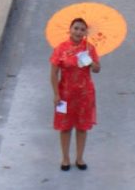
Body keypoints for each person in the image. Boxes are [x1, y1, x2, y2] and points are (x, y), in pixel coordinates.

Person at [50, 17, 101, 171]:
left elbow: (97, 69)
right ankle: (65, 158)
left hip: (85, 94)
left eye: (82, 29)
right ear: (70, 30)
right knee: (65, 127)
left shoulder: (89, 48)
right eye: (76, 28)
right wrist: (56, 94)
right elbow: (53, 74)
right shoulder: (60, 49)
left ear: (85, 33)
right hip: (65, 95)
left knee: (82, 127)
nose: (78, 32)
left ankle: (79, 158)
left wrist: (90, 61)